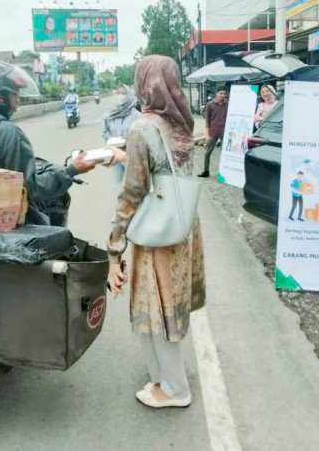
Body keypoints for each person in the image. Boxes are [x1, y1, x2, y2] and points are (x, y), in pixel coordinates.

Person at [107, 55, 205, 408]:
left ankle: (176, 390)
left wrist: (113, 249)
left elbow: (131, 194)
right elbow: (167, 166)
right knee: (169, 303)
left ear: (143, 83)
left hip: (157, 234)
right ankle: (162, 377)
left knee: (159, 304)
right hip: (181, 224)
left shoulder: (141, 128)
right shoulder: (181, 122)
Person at [0, 61, 101, 226]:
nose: (17, 101)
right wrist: (72, 170)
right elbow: (31, 189)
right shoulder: (8, 133)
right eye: (14, 94)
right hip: (3, 223)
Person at [102, 84, 140, 183]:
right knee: (119, 182)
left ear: (129, 95)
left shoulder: (137, 115)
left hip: (132, 155)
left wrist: (126, 139)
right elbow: (104, 133)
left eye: (123, 93)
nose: (120, 96)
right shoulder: (109, 115)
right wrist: (111, 139)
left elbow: (141, 135)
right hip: (115, 154)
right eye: (118, 93)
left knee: (133, 183)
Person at [198, 88, 228, 178]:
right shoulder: (210, 105)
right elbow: (207, 121)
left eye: (224, 93)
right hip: (213, 131)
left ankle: (225, 172)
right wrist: (207, 135)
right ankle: (206, 171)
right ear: (216, 93)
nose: (222, 95)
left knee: (225, 153)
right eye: (220, 93)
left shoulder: (227, 105)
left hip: (224, 131)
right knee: (207, 152)